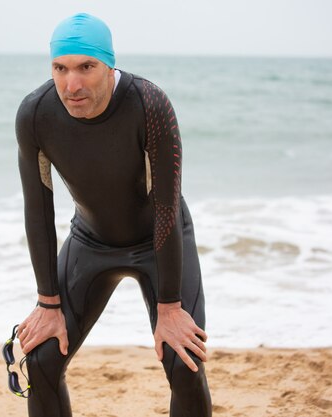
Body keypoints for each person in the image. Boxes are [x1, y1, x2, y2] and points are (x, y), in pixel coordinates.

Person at [15, 12, 212, 417]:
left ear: (109, 66)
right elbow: (37, 209)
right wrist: (47, 303)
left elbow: (166, 206)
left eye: (86, 67)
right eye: (60, 68)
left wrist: (170, 308)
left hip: (159, 240)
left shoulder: (148, 103)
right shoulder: (35, 114)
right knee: (41, 360)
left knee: (184, 361)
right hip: (91, 242)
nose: (72, 84)